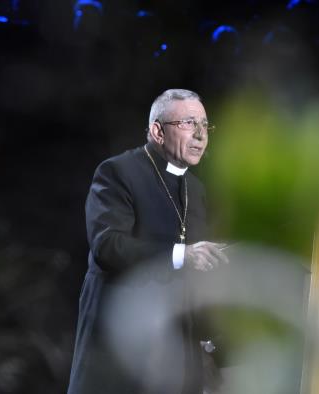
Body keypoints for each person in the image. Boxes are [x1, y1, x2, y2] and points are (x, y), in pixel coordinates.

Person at [67, 89, 228, 394]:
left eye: (205, 125)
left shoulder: (196, 189)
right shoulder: (118, 173)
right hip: (119, 340)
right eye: (189, 123)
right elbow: (107, 246)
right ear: (157, 130)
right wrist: (182, 256)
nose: (200, 135)